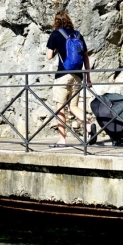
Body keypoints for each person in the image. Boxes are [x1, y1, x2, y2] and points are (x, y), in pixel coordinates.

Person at [45, 10, 96, 148]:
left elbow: (49, 56)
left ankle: (62, 140)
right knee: (73, 106)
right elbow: (85, 57)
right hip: (78, 76)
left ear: (56, 22)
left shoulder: (56, 34)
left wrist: (56, 49)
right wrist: (88, 79)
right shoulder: (78, 35)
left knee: (59, 108)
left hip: (63, 75)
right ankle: (89, 125)